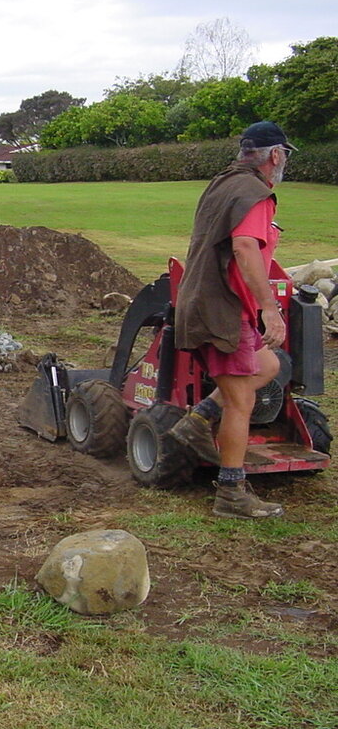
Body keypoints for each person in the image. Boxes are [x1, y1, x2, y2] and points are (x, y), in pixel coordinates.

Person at [169, 121, 295, 519]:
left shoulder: (222, 184)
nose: (284, 163)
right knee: (242, 400)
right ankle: (231, 492)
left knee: (270, 365)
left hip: (202, 299)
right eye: (284, 156)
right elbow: (244, 247)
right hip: (221, 308)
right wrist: (267, 308)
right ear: (275, 155)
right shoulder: (256, 193)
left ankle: (199, 419)